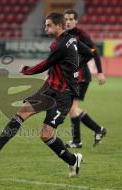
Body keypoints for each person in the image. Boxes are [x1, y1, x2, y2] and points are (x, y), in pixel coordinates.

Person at [0, 12, 93, 177]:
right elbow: (88, 53)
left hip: (63, 95)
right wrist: (75, 65)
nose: (45, 28)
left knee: (45, 134)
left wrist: (26, 71)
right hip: (49, 89)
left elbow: (45, 64)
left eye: (48, 25)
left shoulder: (61, 45)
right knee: (21, 113)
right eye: (45, 25)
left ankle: (73, 160)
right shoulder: (71, 40)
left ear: (59, 26)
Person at [64, 9, 106, 148]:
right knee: (73, 108)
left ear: (76, 20)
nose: (68, 21)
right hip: (73, 77)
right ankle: (97, 130)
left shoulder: (82, 35)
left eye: (71, 19)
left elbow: (95, 53)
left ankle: (78, 141)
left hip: (82, 77)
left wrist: (100, 72)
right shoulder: (64, 36)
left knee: (72, 107)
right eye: (66, 19)